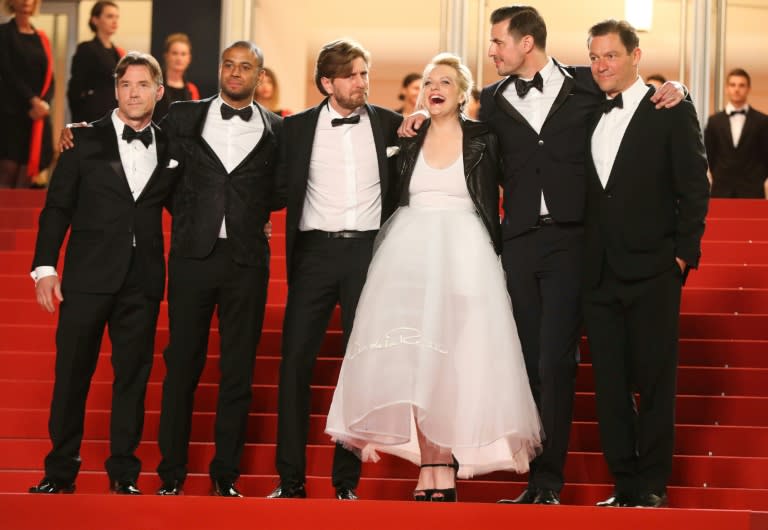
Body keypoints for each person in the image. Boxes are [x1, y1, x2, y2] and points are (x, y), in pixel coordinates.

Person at [400, 4, 684, 505]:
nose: (491, 51)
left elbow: (635, 98)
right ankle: (537, 478)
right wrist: (424, 114)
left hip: (574, 242)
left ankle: (550, 480)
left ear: (525, 43)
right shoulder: (489, 100)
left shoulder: (586, 83)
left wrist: (681, 89)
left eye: (497, 42)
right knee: (528, 360)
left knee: (556, 359)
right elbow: (463, 139)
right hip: (520, 243)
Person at [325, 53, 541, 503]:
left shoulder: (485, 137)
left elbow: (518, 179)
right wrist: (414, 121)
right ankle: (431, 465)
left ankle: (444, 463)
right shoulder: (407, 136)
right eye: (428, 82)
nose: (434, 87)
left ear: (463, 92)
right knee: (418, 362)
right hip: (408, 256)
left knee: (450, 363)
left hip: (466, 256)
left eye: (445, 81)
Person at [27, 51, 176, 495]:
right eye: (126, 85)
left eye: (143, 85)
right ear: (116, 90)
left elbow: (187, 205)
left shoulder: (171, 146)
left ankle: (123, 474)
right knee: (73, 374)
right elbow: (58, 208)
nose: (134, 93)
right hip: (87, 278)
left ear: (158, 91)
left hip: (143, 279)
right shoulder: (81, 139)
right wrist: (45, 268)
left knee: (132, 378)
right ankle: (59, 471)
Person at [268, 38, 403, 500]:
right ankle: (290, 481)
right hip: (314, 255)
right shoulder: (295, 129)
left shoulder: (391, 124)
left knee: (359, 368)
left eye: (365, 73)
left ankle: (346, 482)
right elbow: (268, 184)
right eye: (352, 75)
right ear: (327, 82)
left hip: (368, 255)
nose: (361, 83)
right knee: (295, 365)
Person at [583, 19, 709, 508]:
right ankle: (625, 484)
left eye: (610, 55)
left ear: (636, 56)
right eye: (594, 57)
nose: (601, 65)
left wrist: (682, 256)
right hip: (598, 273)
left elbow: (694, 187)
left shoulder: (669, 109)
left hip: (654, 268)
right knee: (610, 387)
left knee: (655, 380)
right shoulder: (587, 107)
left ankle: (653, 484)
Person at [154, 41, 283, 498]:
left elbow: (283, 188)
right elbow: (150, 156)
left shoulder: (277, 130)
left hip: (246, 261)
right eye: (228, 64)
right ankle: (170, 474)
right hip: (192, 255)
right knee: (181, 365)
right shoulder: (183, 115)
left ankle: (224, 476)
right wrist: (82, 130)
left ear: (259, 76)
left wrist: (251, 215)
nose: (234, 73)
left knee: (238, 372)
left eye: (245, 67)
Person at [0, 0, 54, 188]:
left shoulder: (41, 38)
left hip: (35, 116)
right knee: (9, 169)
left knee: (28, 172)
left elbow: (49, 77)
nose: (26, 1)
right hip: (10, 112)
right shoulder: (4, 33)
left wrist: (44, 103)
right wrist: (32, 100)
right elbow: (7, 71)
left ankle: (19, 218)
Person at [704, 68, 768, 198]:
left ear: (748, 88)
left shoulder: (763, 121)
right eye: (732, 85)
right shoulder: (714, 121)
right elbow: (709, 154)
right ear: (727, 88)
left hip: (752, 191)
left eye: (741, 85)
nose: (737, 89)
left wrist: (758, 178)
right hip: (721, 190)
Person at [67, 1, 124, 123]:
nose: (115, 21)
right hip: (92, 116)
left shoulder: (118, 52)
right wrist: (78, 122)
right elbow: (75, 88)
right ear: (95, 20)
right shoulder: (87, 48)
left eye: (116, 17)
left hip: (114, 116)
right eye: (109, 16)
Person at [153, 32, 200, 121]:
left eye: (183, 54)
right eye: (174, 53)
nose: (179, 58)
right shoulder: (154, 85)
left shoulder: (192, 90)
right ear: (166, 56)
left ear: (189, 58)